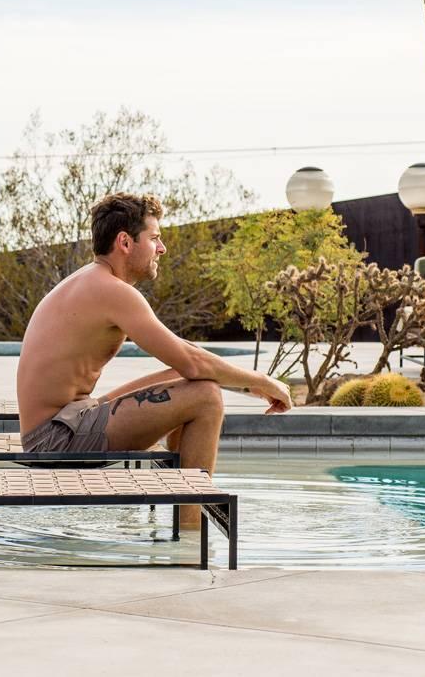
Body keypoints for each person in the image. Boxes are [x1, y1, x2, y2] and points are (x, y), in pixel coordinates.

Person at [16, 192, 292, 522]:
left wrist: (248, 386)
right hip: (54, 440)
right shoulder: (112, 291)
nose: (161, 248)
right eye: (155, 238)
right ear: (125, 242)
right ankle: (190, 537)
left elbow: (186, 360)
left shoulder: (93, 281)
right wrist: (263, 382)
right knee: (205, 397)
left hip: (68, 420)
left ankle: (182, 512)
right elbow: (194, 362)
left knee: (184, 379)